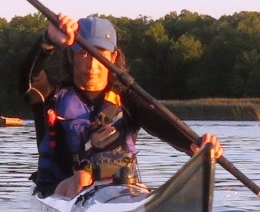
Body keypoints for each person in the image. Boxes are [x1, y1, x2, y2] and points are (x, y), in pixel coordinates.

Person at [20, 13, 223, 197]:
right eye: (83, 53)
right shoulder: (49, 95)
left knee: (138, 187)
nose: (92, 65)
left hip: (117, 189)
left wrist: (195, 144)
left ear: (113, 57)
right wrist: (47, 41)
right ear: (72, 56)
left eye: (100, 55)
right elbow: (26, 79)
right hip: (58, 191)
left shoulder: (127, 98)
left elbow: (160, 122)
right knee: (82, 179)